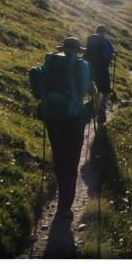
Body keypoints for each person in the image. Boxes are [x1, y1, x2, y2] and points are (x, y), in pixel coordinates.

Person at [29, 36, 93, 218]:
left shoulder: (50, 61)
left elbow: (34, 74)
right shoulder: (81, 65)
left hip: (52, 118)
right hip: (73, 118)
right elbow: (86, 89)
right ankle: (64, 207)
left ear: (63, 47)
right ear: (77, 50)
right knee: (72, 161)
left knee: (59, 155)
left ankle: (60, 183)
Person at [84, 25, 116, 124]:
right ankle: (102, 107)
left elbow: (86, 52)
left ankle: (94, 106)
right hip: (102, 70)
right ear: (104, 32)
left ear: (96, 31)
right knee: (106, 91)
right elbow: (112, 53)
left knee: (95, 88)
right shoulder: (106, 41)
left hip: (91, 69)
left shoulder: (90, 40)